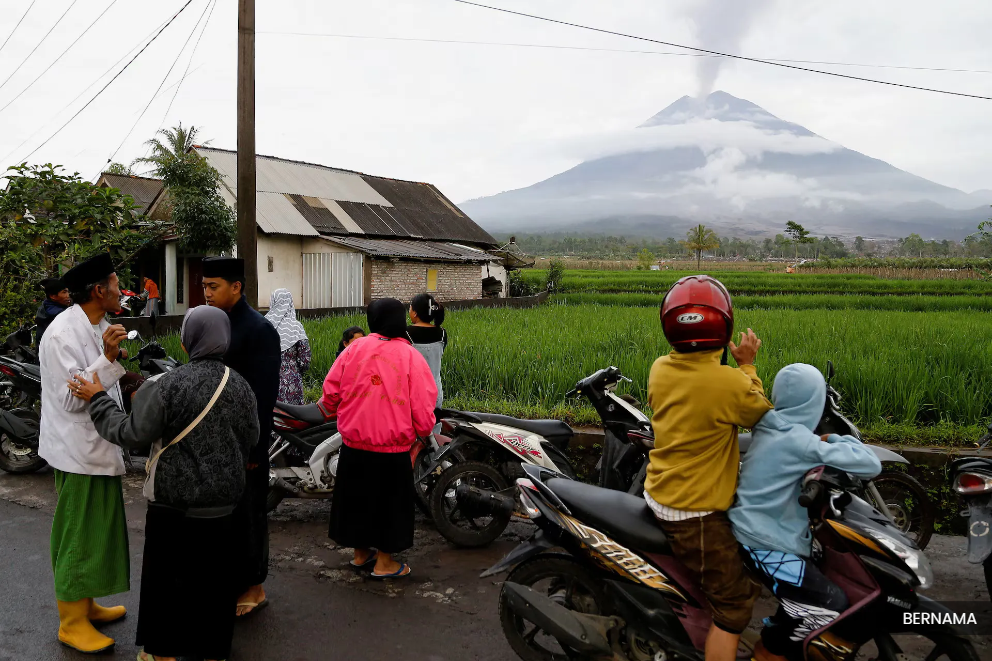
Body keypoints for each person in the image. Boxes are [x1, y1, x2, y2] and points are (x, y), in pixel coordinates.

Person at [71, 305, 260, 661]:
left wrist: (97, 399)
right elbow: (252, 435)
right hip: (222, 506)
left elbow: (131, 433)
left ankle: (162, 653)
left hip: (173, 504)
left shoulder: (167, 385)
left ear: (187, 342)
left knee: (168, 581)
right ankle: (212, 650)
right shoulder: (241, 386)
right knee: (215, 583)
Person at [645, 275, 773, 661]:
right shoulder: (731, 383)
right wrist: (748, 365)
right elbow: (760, 414)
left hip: (660, 491)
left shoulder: (659, 369)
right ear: (725, 325)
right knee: (733, 607)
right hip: (695, 514)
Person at [729, 364, 881, 661]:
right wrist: (834, 439)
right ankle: (769, 651)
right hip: (764, 541)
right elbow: (869, 463)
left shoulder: (768, 423)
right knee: (826, 604)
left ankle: (776, 634)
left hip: (757, 529)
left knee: (807, 594)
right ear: (814, 402)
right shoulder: (801, 441)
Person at [37, 253, 131, 654]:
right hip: (77, 452)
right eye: (114, 283)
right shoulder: (61, 334)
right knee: (77, 534)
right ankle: (71, 622)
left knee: (97, 531)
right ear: (98, 291)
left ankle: (87, 604)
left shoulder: (96, 324)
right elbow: (72, 399)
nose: (120, 289)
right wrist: (107, 360)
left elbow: (104, 380)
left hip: (99, 446)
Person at [321, 298, 437, 578]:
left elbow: (331, 392)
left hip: (353, 446)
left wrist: (331, 409)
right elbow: (423, 405)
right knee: (389, 505)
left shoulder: (354, 349)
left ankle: (361, 555)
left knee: (357, 500)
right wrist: (424, 431)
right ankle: (384, 563)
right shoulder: (410, 356)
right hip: (392, 449)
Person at [201, 256, 281, 617]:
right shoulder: (211, 325)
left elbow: (262, 398)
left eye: (212, 286)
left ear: (236, 287)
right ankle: (230, 581)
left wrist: (255, 448)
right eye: (204, 286)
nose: (206, 293)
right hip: (215, 440)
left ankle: (255, 586)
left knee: (250, 512)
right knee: (223, 515)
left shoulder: (258, 330)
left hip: (246, 441)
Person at [265, 288, 311, 405]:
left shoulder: (264, 324)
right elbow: (305, 360)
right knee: (292, 417)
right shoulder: (296, 327)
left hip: (267, 379)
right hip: (292, 382)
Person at [407, 293, 447, 409]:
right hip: (436, 391)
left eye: (410, 308)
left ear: (414, 313)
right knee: (434, 423)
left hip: (413, 393)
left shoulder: (406, 333)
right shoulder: (442, 334)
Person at [35, 277, 71, 346]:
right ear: (53, 296)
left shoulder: (45, 306)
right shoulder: (58, 314)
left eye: (68, 292)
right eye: (64, 292)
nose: (68, 295)